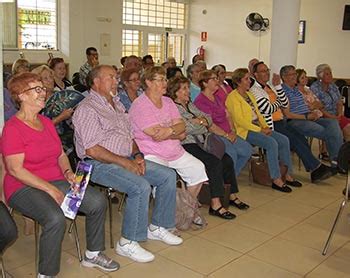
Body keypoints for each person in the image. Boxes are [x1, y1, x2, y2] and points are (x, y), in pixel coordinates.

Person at [3, 72, 119, 277]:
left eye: (43, 89)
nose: (43, 93)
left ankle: (93, 254)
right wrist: (50, 188)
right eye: (36, 89)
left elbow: (60, 155)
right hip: (23, 186)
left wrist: (68, 173)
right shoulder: (12, 128)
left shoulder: (46, 123)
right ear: (21, 95)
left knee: (97, 202)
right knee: (54, 218)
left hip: (56, 180)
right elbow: (15, 170)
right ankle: (46, 273)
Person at [73, 65, 183, 264]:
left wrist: (137, 154)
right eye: (111, 77)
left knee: (167, 175)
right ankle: (127, 242)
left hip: (126, 158)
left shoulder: (117, 103)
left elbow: (130, 136)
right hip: (98, 164)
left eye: (116, 77)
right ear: (96, 82)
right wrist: (125, 162)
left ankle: (158, 227)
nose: (116, 81)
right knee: (140, 186)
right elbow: (92, 150)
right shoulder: (87, 108)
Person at [168, 76, 249, 218]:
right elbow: (186, 129)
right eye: (184, 89)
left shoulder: (190, 105)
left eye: (188, 88)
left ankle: (231, 195)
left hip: (202, 142)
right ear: (176, 92)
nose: (188, 91)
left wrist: (199, 121)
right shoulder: (174, 108)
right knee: (214, 163)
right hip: (187, 144)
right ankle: (215, 204)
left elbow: (208, 120)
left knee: (227, 160)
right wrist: (201, 123)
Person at [129, 66, 208, 198]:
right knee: (165, 176)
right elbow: (156, 134)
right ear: (148, 82)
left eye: (165, 79)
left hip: (174, 150)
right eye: (161, 80)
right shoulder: (140, 105)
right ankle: (168, 212)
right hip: (151, 153)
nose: (165, 83)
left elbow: (182, 126)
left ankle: (186, 208)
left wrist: (170, 130)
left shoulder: (168, 101)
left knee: (198, 168)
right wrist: (176, 132)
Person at [250, 62, 332, 183]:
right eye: (263, 71)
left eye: (267, 70)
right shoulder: (255, 90)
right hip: (270, 124)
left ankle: (314, 169)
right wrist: (279, 102)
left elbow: (285, 102)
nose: (266, 72)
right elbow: (268, 109)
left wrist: (277, 89)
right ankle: (310, 169)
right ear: (255, 74)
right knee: (292, 139)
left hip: (281, 120)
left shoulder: (271, 86)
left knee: (300, 138)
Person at [226, 68, 302, 193]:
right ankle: (276, 178)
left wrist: (264, 125)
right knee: (271, 143)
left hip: (258, 127)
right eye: (246, 79)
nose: (249, 81)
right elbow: (240, 121)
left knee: (283, 140)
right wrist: (259, 129)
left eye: (249, 78)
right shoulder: (232, 97)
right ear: (238, 82)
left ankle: (287, 174)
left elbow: (259, 113)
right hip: (244, 131)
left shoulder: (249, 94)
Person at [280, 65, 343, 172]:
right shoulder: (282, 91)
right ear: (284, 77)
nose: (295, 76)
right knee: (328, 132)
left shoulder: (296, 89)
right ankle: (338, 162)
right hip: (296, 120)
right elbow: (287, 114)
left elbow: (319, 104)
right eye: (292, 74)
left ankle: (336, 161)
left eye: (295, 74)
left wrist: (312, 110)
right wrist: (306, 116)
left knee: (333, 124)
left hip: (310, 115)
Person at [194, 70, 253, 176]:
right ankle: (228, 182)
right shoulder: (200, 102)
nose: (217, 81)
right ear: (205, 83)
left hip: (227, 132)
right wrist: (226, 135)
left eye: (217, 78)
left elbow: (228, 115)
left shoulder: (216, 97)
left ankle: (231, 177)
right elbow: (210, 125)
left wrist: (232, 131)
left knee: (247, 150)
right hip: (214, 135)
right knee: (232, 154)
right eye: (214, 79)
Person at [310, 64, 350, 142]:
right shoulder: (315, 88)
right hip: (321, 117)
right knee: (336, 128)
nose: (330, 76)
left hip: (336, 115)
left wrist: (339, 115)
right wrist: (332, 117)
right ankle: (337, 151)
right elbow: (319, 108)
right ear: (320, 76)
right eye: (327, 74)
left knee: (348, 127)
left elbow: (339, 102)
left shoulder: (333, 86)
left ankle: (345, 151)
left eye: (330, 73)